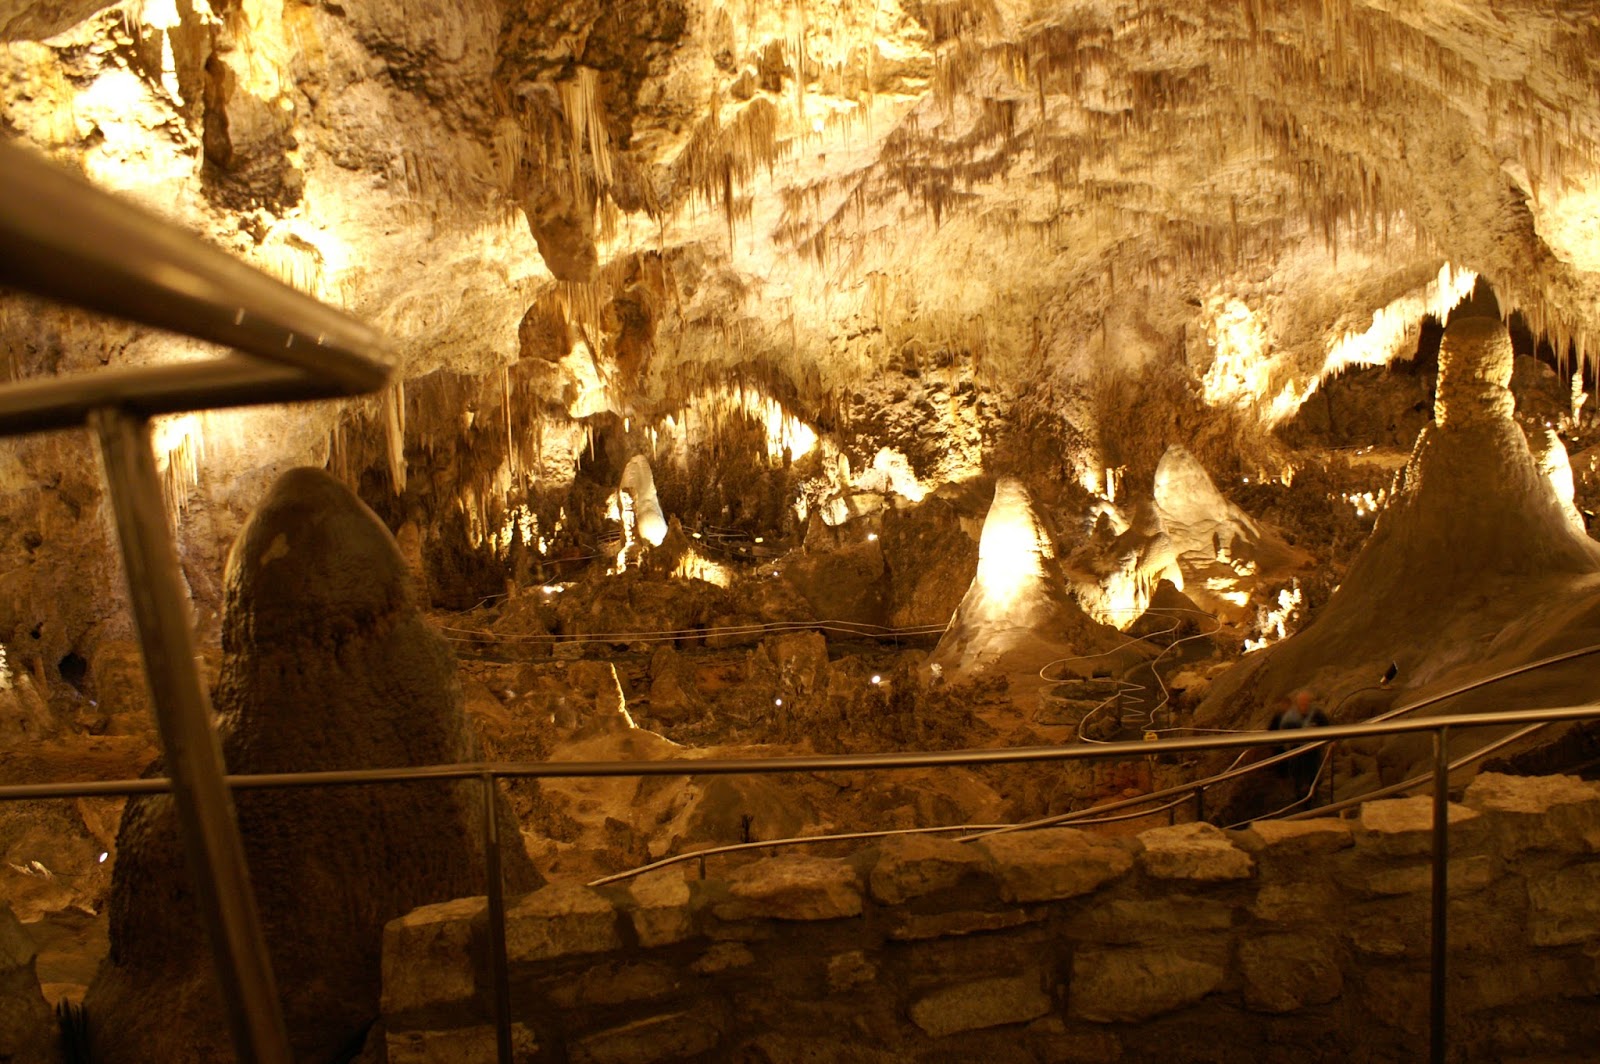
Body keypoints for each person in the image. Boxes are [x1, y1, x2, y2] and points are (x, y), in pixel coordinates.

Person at [1268, 690, 1329, 793]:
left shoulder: (1316, 714)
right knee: (1298, 777)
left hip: (1312, 751)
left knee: (1313, 775)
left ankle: (1313, 793)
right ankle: (1301, 796)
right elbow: (1283, 732)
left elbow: (1327, 726)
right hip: (1296, 752)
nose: (1304, 704)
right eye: (1302, 702)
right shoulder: (1290, 717)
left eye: (1306, 702)